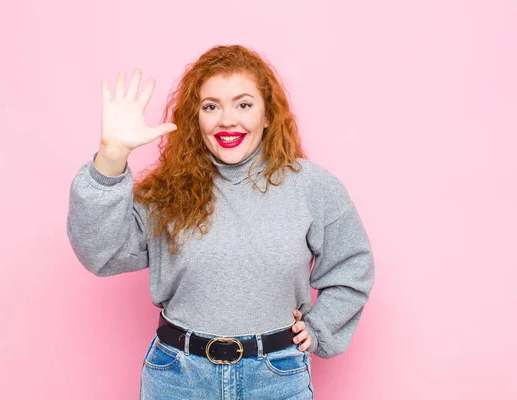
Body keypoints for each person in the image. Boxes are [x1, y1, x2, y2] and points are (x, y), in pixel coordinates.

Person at [67, 44, 375, 400]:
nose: (227, 120)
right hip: (177, 378)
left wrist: (321, 328)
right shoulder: (170, 191)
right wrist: (111, 156)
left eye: (243, 104)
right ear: (195, 118)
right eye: (211, 107)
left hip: (275, 378)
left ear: (268, 115)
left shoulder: (312, 186)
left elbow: (352, 266)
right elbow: (100, 252)